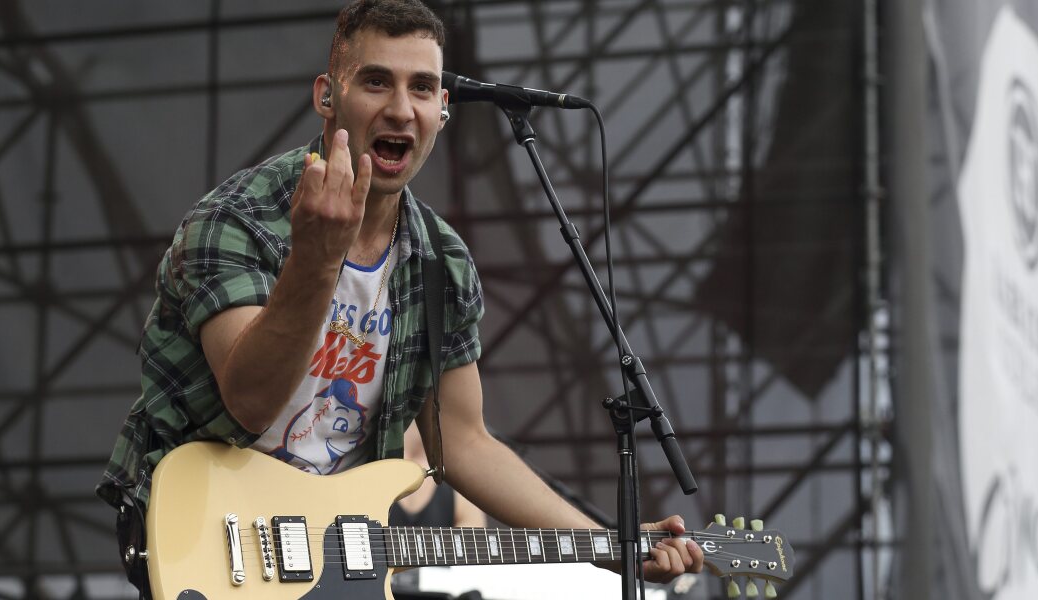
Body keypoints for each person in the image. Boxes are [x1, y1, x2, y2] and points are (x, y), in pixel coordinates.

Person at [97, 0, 703, 595]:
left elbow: (462, 444)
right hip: (209, 538)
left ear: (443, 110)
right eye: (376, 82)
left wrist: (612, 545)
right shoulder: (235, 220)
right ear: (327, 97)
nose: (400, 108)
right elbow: (251, 401)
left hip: (336, 560)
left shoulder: (444, 263)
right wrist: (318, 257)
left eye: (422, 88)